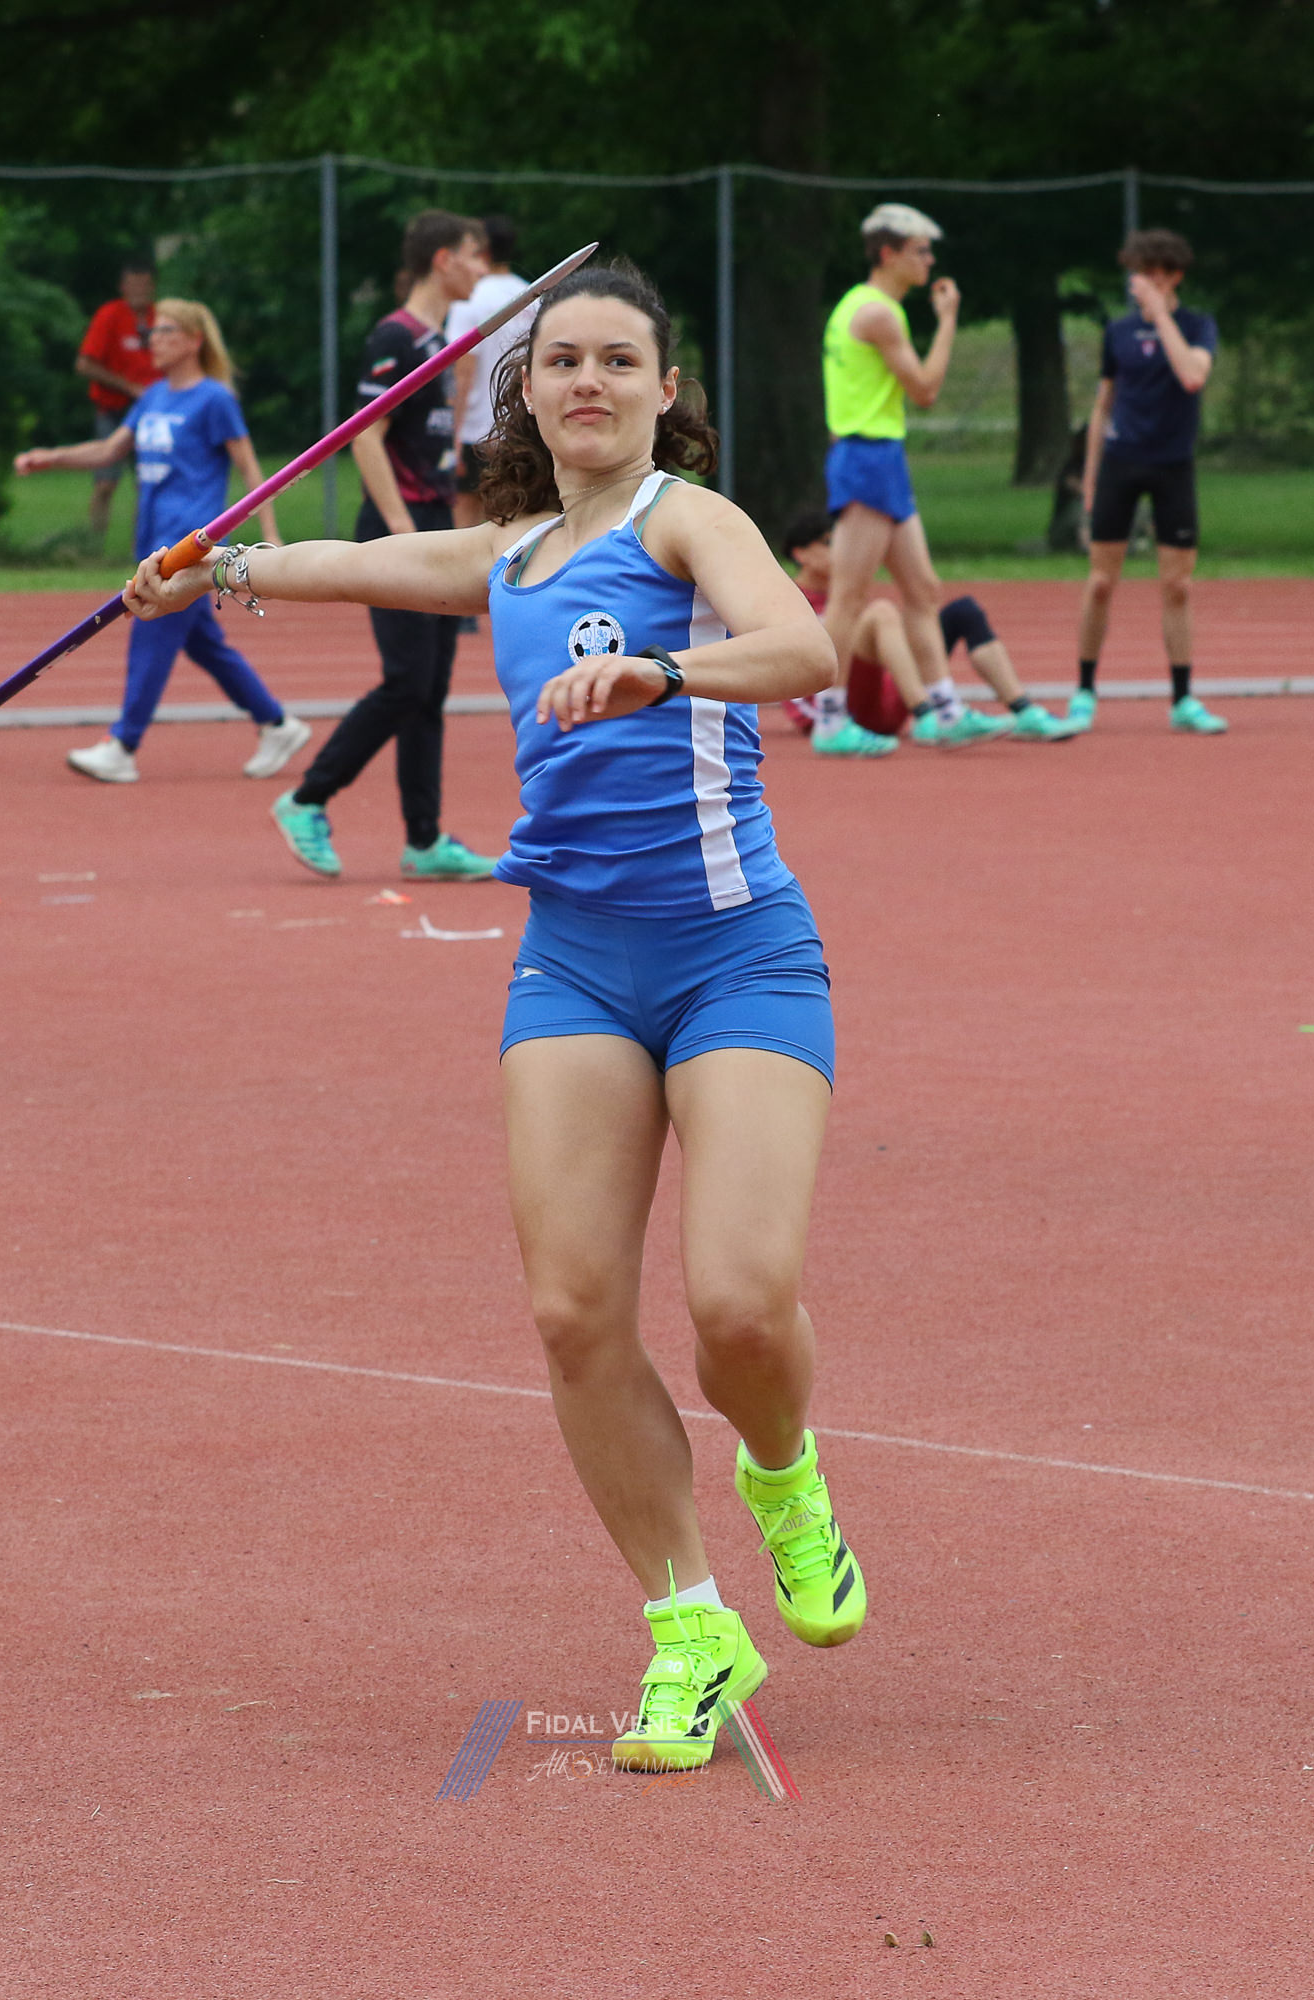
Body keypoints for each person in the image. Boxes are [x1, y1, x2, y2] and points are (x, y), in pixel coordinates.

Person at [124, 260, 864, 1776]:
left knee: (737, 1305)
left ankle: (785, 1474)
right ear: (524, 392)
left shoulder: (688, 521)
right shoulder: (510, 556)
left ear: (666, 391)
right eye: (562, 360)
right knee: (574, 1313)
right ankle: (690, 1628)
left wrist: (663, 671)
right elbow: (354, 561)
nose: (589, 380)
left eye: (619, 360)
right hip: (574, 968)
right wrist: (219, 566)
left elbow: (805, 652)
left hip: (737, 956)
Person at [268, 210, 501, 883]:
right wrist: (401, 528)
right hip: (401, 528)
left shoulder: (439, 341)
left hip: (435, 523)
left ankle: (424, 842)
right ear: (442, 260)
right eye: (473, 255)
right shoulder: (395, 336)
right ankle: (306, 799)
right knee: (406, 682)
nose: (481, 268)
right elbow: (364, 436)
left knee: (430, 690)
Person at [13, 298, 311, 785]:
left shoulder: (215, 399)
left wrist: (271, 534)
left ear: (194, 340)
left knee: (149, 631)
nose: (154, 339)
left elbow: (252, 471)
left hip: (190, 544)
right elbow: (109, 450)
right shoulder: (152, 397)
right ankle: (277, 724)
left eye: (166, 330)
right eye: (152, 331)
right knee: (202, 643)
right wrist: (51, 457)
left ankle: (123, 744)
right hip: (152, 538)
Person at [814, 204, 1006, 750]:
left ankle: (945, 712)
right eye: (920, 251)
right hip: (867, 459)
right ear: (888, 254)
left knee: (923, 590)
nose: (929, 261)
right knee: (849, 597)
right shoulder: (877, 313)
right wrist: (947, 321)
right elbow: (925, 389)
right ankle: (829, 718)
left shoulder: (863, 304)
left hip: (880, 458)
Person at [1075, 229, 1228, 737]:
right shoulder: (1118, 333)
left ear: (1174, 277)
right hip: (1122, 463)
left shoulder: (1197, 326)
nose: (1145, 284)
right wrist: (1091, 476)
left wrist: (1162, 316)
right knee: (1101, 582)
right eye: (1140, 275)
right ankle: (1084, 690)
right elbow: (1103, 406)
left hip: (1172, 466)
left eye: (1157, 275)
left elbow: (1192, 376)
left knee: (1177, 586)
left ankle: (1183, 699)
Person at [775, 506, 1076, 752]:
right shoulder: (788, 601)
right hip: (848, 709)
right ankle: (928, 714)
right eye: (830, 543)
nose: (843, 549)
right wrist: (817, 716)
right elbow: (788, 672)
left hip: (891, 697)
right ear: (801, 554)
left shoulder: (846, 598)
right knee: (881, 612)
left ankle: (1022, 710)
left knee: (962, 611)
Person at [445, 214, 532, 531]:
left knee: (465, 526)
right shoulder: (532, 296)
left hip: (475, 431)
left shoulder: (469, 297)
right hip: (518, 427)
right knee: (510, 523)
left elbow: (463, 372)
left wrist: (452, 438)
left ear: (481, 249)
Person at [77, 254, 162, 553]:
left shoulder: (161, 319)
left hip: (152, 413)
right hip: (114, 410)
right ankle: (92, 548)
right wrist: (128, 387)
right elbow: (85, 364)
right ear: (122, 287)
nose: (139, 291)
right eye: (133, 284)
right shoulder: (110, 316)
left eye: (144, 285)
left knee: (148, 484)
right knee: (105, 482)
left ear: (152, 287)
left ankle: (144, 551)